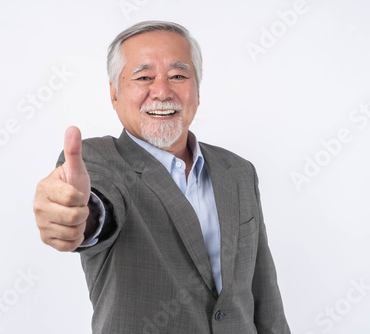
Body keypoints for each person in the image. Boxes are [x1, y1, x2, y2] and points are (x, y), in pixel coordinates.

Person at [33, 20, 291, 334]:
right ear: (115, 94)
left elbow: (264, 293)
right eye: (144, 77)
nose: (162, 92)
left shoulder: (238, 171)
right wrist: (77, 218)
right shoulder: (97, 160)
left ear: (197, 90)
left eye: (178, 76)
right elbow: (97, 206)